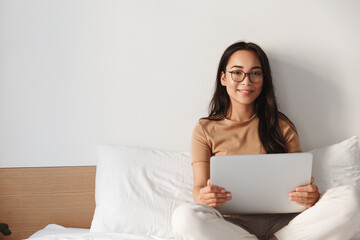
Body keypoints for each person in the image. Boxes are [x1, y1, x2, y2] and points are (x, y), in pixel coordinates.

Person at [171, 41, 360, 240]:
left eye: (255, 73)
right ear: (223, 78)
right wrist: (204, 196)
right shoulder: (204, 129)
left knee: (352, 198)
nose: (246, 81)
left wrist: (309, 196)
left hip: (285, 225)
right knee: (184, 217)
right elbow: (199, 188)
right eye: (237, 72)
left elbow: (302, 185)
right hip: (231, 226)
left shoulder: (281, 125)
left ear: (264, 79)